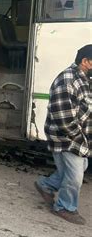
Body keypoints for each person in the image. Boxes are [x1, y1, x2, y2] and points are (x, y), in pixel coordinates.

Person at [35, 44, 91, 225]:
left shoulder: (85, 78)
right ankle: (65, 207)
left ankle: (45, 185)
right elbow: (65, 121)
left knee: (75, 169)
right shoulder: (67, 81)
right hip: (66, 137)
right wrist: (82, 142)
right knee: (75, 176)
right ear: (85, 62)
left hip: (79, 135)